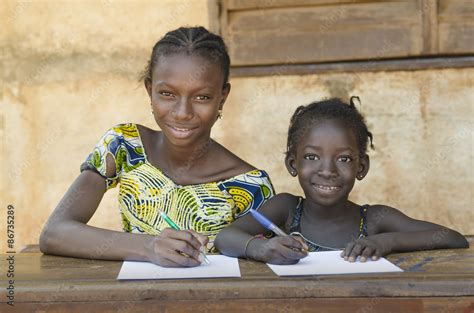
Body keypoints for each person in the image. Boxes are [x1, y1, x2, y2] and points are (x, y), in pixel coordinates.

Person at [39, 26, 274, 267]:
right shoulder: (125, 145)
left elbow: (264, 268)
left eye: (202, 97)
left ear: (222, 97)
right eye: (167, 94)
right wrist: (148, 246)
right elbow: (54, 233)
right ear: (149, 89)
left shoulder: (251, 186)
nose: (183, 113)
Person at [214, 97, 468, 264]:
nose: (327, 170)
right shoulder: (287, 209)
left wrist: (387, 241)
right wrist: (261, 249)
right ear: (293, 164)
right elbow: (225, 237)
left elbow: (453, 237)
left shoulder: (375, 220)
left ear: (362, 167)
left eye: (344, 159)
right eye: (312, 157)